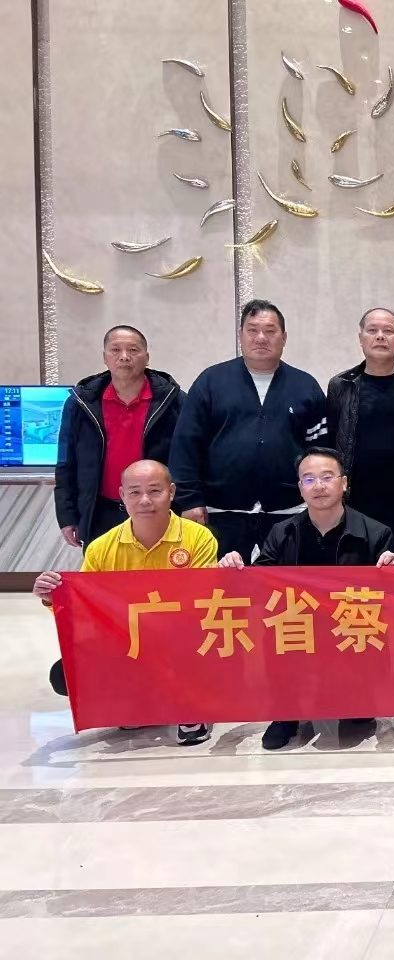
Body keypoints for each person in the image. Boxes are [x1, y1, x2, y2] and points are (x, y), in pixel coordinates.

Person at [218, 447, 394, 751]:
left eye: (327, 477)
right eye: (309, 479)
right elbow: (259, 584)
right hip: (299, 627)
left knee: (357, 714)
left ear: (344, 483)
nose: (319, 486)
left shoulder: (376, 533)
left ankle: (357, 696)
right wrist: (235, 568)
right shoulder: (282, 532)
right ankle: (286, 712)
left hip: (350, 627)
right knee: (279, 627)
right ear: (300, 488)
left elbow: (391, 597)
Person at [34, 460, 218, 746]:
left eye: (154, 491)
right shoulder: (101, 547)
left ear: (171, 492)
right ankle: (140, 699)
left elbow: (204, 601)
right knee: (64, 675)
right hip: (128, 641)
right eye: (135, 492)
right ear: (122, 495)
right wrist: (52, 596)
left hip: (182, 640)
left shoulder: (198, 538)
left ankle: (191, 707)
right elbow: (85, 608)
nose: (145, 500)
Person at [169, 300, 328, 560]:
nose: (261, 338)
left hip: (288, 513)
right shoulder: (211, 381)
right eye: (252, 330)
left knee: (287, 583)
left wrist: (318, 499)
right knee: (223, 583)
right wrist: (189, 500)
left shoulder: (305, 386)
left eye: (270, 330)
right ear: (240, 335)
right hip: (219, 512)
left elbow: (320, 452)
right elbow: (186, 445)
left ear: (284, 337)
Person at [54, 326, 184, 548]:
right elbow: (66, 463)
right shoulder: (81, 403)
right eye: (115, 350)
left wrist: (190, 504)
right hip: (100, 512)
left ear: (147, 357)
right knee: (103, 570)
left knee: (159, 570)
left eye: (133, 350)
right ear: (105, 357)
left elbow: (190, 458)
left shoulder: (173, 401)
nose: (124, 357)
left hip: (158, 511)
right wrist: (67, 515)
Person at [327, 307, 394, 555]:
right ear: (360, 338)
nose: (380, 336)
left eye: (389, 331)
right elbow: (330, 443)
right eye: (372, 330)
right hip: (354, 504)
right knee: (355, 573)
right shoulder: (341, 386)